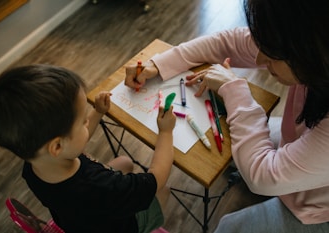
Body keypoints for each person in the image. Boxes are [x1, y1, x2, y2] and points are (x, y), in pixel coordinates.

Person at [124, 0, 329, 232]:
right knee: (234, 144)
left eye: (272, 55)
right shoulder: (309, 45)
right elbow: (228, 42)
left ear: (312, 51)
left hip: (318, 208)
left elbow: (263, 176)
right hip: (301, 147)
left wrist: (235, 90)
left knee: (228, 226)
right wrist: (158, 64)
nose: (260, 60)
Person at [0, 64, 176, 233]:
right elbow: (156, 180)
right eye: (83, 121)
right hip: (120, 226)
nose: (87, 122)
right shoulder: (101, 188)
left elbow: (73, 142)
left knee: (124, 162)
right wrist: (166, 132)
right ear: (57, 146)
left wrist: (98, 112)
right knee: (164, 191)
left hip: (77, 223)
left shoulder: (33, 164)